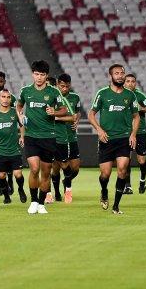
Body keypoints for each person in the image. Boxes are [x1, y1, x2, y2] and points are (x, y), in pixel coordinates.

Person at [88, 64, 140, 214]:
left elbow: (136, 117)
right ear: (110, 76)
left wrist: (133, 134)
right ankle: (104, 191)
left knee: (122, 169)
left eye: (122, 73)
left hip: (124, 138)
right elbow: (91, 114)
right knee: (105, 174)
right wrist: (99, 129)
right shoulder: (102, 93)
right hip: (106, 139)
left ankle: (116, 206)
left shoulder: (130, 95)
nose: (120, 76)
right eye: (116, 73)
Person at [16, 60, 67, 214]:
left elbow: (63, 110)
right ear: (33, 74)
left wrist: (55, 112)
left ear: (46, 76)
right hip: (31, 136)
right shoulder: (25, 91)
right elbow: (18, 105)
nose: (38, 77)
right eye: (36, 74)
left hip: (48, 136)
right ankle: (33, 201)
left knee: (46, 171)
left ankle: (41, 203)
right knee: (34, 168)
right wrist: (20, 115)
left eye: (42, 75)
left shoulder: (53, 92)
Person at [0, 89, 27, 204]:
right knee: (1, 175)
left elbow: (22, 124)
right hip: (1, 150)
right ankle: (6, 196)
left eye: (8, 97)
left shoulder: (14, 112)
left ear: (11, 99)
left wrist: (22, 136)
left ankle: (20, 189)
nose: (6, 99)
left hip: (14, 149)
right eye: (3, 97)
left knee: (18, 174)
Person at [50, 74, 81, 204]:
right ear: (57, 85)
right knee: (56, 166)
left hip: (71, 136)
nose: (65, 89)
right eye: (62, 86)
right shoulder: (54, 98)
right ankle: (57, 192)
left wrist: (77, 120)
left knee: (75, 168)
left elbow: (77, 112)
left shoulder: (75, 97)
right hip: (57, 136)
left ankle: (66, 181)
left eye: (67, 86)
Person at [124, 74, 146, 194]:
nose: (130, 83)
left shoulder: (140, 96)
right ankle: (128, 186)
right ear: (124, 83)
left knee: (141, 160)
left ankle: (142, 180)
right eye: (128, 81)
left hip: (140, 132)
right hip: (126, 132)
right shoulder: (120, 95)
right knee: (126, 159)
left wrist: (142, 108)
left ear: (135, 83)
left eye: (132, 81)